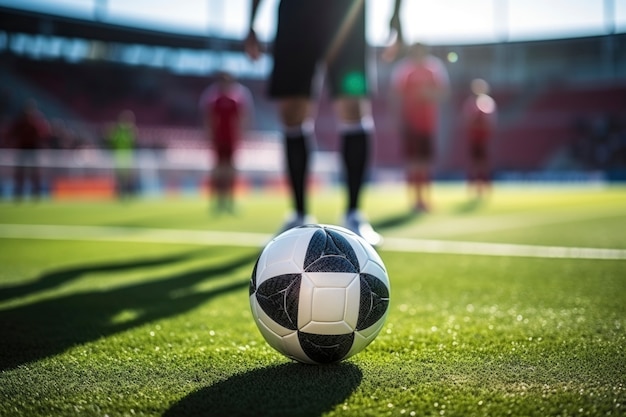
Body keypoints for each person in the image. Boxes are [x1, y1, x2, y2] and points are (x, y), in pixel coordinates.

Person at [244, 0, 404, 246]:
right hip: (296, 12)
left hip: (345, 10)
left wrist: (396, 15)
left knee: (353, 107)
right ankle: (299, 213)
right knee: (292, 111)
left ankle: (353, 213)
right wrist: (252, 21)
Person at [391, 42, 450, 213]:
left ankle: (425, 198)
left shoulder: (434, 69)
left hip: (427, 124)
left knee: (425, 163)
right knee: (412, 163)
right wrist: (397, 119)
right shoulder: (405, 70)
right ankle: (414, 200)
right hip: (410, 123)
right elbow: (397, 95)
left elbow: (443, 93)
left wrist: (427, 94)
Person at [198, 71, 253, 214]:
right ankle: (218, 201)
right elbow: (210, 120)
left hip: (230, 140)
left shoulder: (234, 100)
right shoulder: (215, 100)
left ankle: (229, 201)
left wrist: (241, 134)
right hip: (220, 140)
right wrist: (210, 136)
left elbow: (241, 120)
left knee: (229, 172)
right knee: (219, 171)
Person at [6, 99, 50, 201]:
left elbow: (43, 134)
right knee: (20, 173)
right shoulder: (20, 121)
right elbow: (12, 133)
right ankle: (18, 194)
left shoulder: (37, 120)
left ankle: (36, 194)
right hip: (22, 149)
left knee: (34, 173)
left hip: (33, 149)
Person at [461, 78, 497, 200]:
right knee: (474, 164)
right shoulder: (470, 103)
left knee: (484, 164)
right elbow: (466, 120)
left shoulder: (488, 102)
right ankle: (474, 188)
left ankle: (484, 187)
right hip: (474, 138)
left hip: (484, 138)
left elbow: (491, 122)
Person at [107, 109, 137, 199]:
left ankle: (127, 193)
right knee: (121, 177)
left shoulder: (130, 131)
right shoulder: (118, 131)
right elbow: (112, 142)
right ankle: (121, 193)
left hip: (127, 157)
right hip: (120, 157)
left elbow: (133, 143)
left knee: (127, 177)